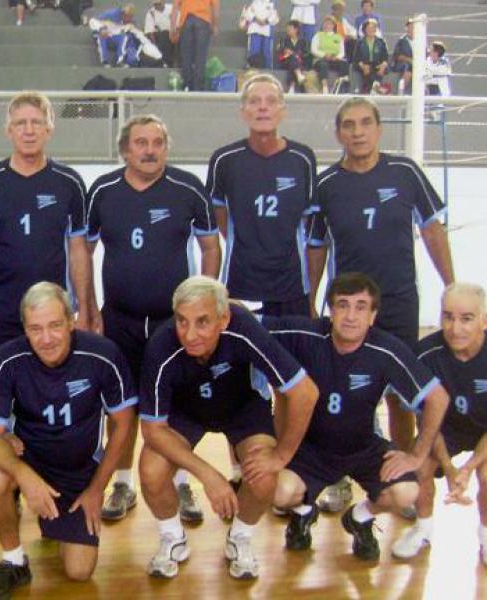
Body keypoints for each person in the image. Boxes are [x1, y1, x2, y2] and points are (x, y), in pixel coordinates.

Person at [307, 96, 455, 513]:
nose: (358, 132)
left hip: (399, 302)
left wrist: (451, 286)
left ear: (378, 128)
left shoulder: (405, 172)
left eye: (365, 123)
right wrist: (310, 299)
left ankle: (400, 473)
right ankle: (337, 478)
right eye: (349, 125)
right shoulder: (326, 184)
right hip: (349, 309)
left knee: (402, 396)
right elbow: (316, 246)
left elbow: (433, 231)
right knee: (340, 394)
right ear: (338, 133)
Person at [139, 275, 319, 579]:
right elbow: (152, 430)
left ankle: (240, 537)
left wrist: (282, 456)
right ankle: (173, 537)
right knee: (150, 469)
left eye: (202, 322)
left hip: (243, 408)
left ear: (224, 319)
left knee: (264, 474)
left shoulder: (244, 327)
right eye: (182, 321)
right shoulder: (162, 344)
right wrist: (209, 475)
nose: (190, 334)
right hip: (188, 413)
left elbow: (305, 392)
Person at [87, 114, 220, 523]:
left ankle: (180, 483)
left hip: (173, 323)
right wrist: (87, 308)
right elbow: (82, 252)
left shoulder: (188, 188)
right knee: (122, 407)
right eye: (141, 143)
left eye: (157, 142)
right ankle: (122, 483)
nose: (149, 150)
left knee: (175, 406)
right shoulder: (103, 190)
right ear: (125, 150)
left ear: (166, 147)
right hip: (119, 319)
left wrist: (205, 305)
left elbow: (211, 247)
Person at [267, 273, 449, 560]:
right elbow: (249, 323)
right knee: (278, 492)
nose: (351, 316)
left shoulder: (386, 349)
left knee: (405, 492)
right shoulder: (307, 334)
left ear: (372, 316)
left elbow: (437, 397)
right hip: (311, 450)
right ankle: (303, 512)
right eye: (343, 305)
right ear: (330, 310)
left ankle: (360, 517)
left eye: (361, 307)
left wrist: (416, 455)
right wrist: (220, 300)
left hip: (362, 448)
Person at [0, 282, 137, 598]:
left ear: (71, 320)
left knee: (79, 572)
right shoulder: (6, 359)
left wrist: (97, 489)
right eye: (35, 329)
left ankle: (55, 520)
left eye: (54, 325)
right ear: (24, 328)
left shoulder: (103, 355)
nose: (46, 338)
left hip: (79, 471)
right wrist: (25, 477)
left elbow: (123, 425)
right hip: (31, 461)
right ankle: (14, 560)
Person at [0, 91, 94, 371]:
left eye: (36, 122)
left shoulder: (69, 182)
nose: (28, 130)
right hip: (3, 313)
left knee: (55, 387)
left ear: (49, 128)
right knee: (1, 390)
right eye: (20, 123)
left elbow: (78, 250)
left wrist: (84, 310)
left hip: (54, 314)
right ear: (8, 130)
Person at [207, 73, 317, 318]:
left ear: (282, 110)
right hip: (240, 283)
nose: (263, 107)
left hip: (291, 285)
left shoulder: (303, 158)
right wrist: (246, 240)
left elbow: (308, 221)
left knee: (292, 343)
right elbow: (217, 214)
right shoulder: (224, 159)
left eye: (271, 101)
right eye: (254, 101)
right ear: (243, 112)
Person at [392, 283, 487, 564]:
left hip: (484, 430)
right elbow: (427, 424)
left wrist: (468, 468)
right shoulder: (424, 354)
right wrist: (448, 467)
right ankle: (423, 529)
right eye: (448, 317)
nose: (455, 329)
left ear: (484, 321)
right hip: (444, 430)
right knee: (419, 465)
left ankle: (485, 534)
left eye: (466, 319)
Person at [171, 0, 219, 91]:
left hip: (186, 21)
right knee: (200, 57)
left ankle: (187, 86)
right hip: (203, 21)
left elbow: (175, 7)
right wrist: (215, 25)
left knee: (186, 56)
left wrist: (173, 28)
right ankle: (198, 88)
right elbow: (215, 7)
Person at [311, 15, 347, 95]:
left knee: (344, 64)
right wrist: (324, 55)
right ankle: (324, 86)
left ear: (333, 25)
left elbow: (342, 52)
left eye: (330, 24)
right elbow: (313, 49)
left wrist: (336, 57)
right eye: (326, 23)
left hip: (334, 59)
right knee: (323, 65)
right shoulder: (318, 35)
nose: (327, 25)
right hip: (321, 59)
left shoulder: (339, 37)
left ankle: (339, 85)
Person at [351, 18, 388, 94]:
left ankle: (374, 88)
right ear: (365, 30)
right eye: (369, 28)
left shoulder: (381, 42)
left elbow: (385, 57)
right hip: (363, 64)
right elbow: (356, 59)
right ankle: (376, 87)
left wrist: (383, 66)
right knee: (367, 71)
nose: (371, 30)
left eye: (373, 28)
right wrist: (363, 66)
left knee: (378, 70)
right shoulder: (360, 42)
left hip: (377, 64)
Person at [239, 0, 278, 70]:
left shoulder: (271, 3)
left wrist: (266, 21)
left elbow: (275, 16)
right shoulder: (252, 2)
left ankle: (267, 68)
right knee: (254, 50)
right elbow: (247, 13)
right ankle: (252, 67)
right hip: (254, 28)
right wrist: (256, 19)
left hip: (267, 29)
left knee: (266, 51)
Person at [277, 20, 309, 93]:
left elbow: (306, 53)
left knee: (293, 62)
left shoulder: (303, 41)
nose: (288, 30)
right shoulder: (284, 40)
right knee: (292, 58)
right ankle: (299, 75)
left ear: (296, 29)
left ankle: (292, 86)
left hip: (298, 62)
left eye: (290, 28)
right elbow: (280, 49)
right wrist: (286, 51)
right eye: (287, 28)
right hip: (285, 61)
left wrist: (295, 54)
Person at [144, 0, 175, 67]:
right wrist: (155, 44)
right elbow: (149, 32)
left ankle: (167, 62)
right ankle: (165, 62)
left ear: (164, 2)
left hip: (173, 34)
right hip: (160, 37)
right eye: (155, 4)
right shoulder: (151, 13)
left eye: (159, 4)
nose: (157, 6)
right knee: (164, 35)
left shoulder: (171, 9)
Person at [391, 19, 413, 95]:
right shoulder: (402, 41)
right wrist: (409, 59)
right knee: (408, 72)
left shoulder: (421, 40)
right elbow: (397, 55)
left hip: (417, 65)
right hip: (405, 65)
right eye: (410, 27)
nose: (411, 29)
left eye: (413, 27)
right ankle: (400, 92)